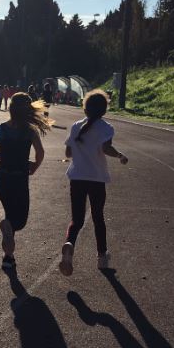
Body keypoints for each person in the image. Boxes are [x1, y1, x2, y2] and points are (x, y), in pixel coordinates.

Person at [59, 89, 128, 277]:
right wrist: (120, 155)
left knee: (77, 219)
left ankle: (70, 244)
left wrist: (80, 151)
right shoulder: (106, 128)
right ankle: (101, 257)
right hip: (96, 178)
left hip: (77, 178)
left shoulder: (75, 126)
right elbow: (106, 148)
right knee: (98, 217)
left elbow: (68, 154)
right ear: (104, 110)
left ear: (85, 108)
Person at [0, 92, 51, 270]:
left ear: (10, 109)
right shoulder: (29, 132)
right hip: (20, 176)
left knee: (9, 213)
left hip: (2, 176)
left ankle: (8, 257)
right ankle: (8, 238)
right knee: (20, 219)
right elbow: (40, 153)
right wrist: (34, 166)